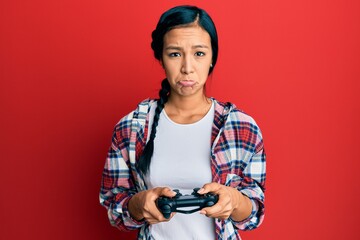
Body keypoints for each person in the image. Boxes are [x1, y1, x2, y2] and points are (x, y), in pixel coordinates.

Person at [100, 5, 266, 240]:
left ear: (212, 58)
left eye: (199, 53)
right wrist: (139, 204)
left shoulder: (241, 128)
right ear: (161, 58)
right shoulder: (131, 128)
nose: (188, 68)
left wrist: (235, 200)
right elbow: (115, 209)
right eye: (175, 54)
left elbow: (254, 213)